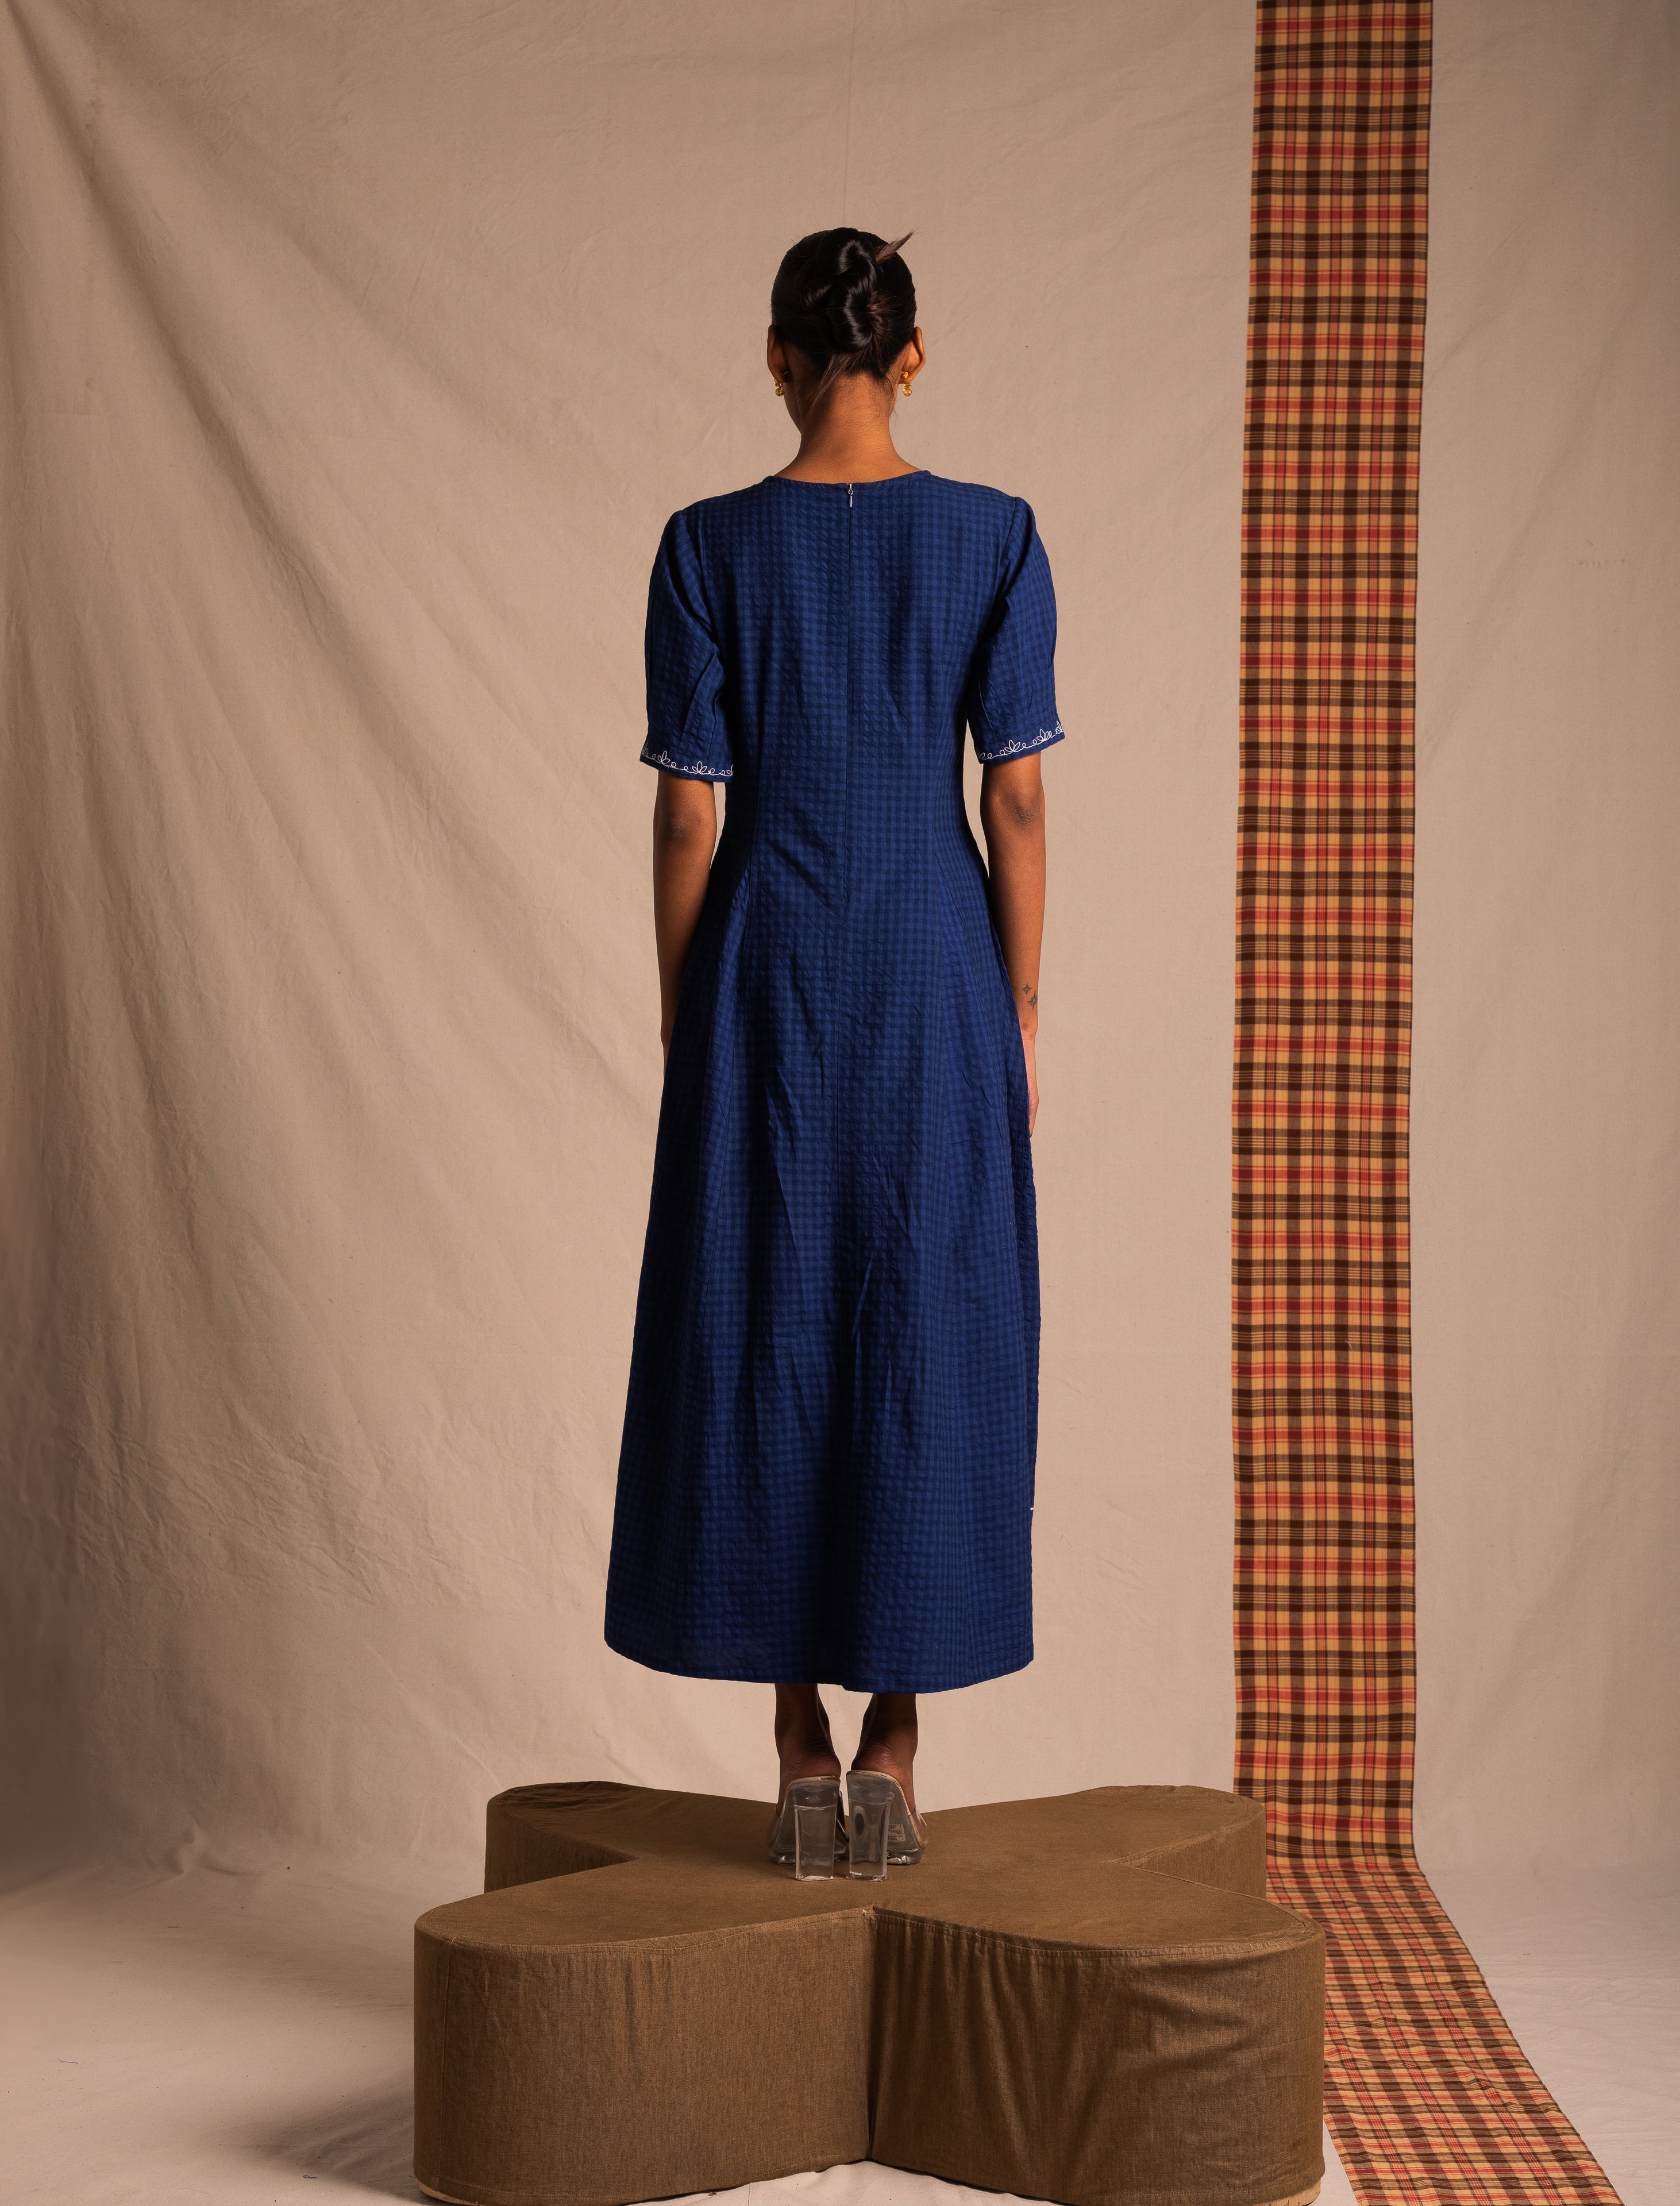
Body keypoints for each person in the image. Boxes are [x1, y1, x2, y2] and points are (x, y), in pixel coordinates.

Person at [603, 227, 1064, 1866]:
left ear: (779, 359)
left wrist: (685, 1002)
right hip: (938, 969)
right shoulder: (996, 537)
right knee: (928, 1319)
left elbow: (688, 814)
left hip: (767, 966)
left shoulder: (705, 545)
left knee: (763, 1311)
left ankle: (798, 1740)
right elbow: (1016, 798)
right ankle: (899, 1746)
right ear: (913, 356)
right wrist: (1019, 1006)